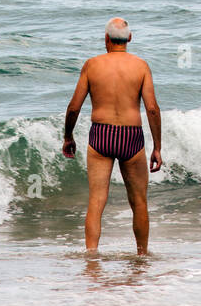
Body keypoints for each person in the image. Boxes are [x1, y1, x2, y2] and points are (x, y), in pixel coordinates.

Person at [62, 18, 162, 254]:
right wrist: (157, 146)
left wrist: (68, 136)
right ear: (129, 38)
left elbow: (74, 107)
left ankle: (92, 256)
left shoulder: (92, 65)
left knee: (96, 201)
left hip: (101, 134)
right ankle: (142, 255)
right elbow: (152, 109)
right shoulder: (141, 66)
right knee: (139, 202)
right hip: (131, 137)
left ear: (106, 39)